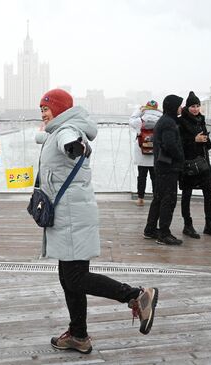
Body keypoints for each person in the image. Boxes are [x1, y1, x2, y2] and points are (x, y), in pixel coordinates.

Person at [37, 88, 158, 354]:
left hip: (72, 217)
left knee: (76, 278)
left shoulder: (67, 131)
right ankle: (79, 335)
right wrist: (45, 135)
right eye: (41, 109)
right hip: (70, 215)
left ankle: (135, 295)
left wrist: (74, 148)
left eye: (46, 108)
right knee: (68, 278)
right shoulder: (59, 130)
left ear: (59, 110)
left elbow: (69, 144)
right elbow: (52, 138)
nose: (43, 113)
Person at [178, 91, 211, 239]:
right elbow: (179, 144)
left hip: (203, 163)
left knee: (209, 191)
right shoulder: (181, 121)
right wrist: (194, 140)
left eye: (197, 106)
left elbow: (208, 145)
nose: (195, 109)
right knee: (187, 193)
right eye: (192, 106)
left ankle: (210, 225)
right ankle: (187, 225)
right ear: (187, 107)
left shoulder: (200, 120)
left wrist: (205, 140)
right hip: (189, 163)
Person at [143, 95, 185, 245]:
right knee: (169, 199)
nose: (181, 108)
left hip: (161, 166)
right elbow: (170, 145)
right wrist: (181, 157)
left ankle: (150, 229)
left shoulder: (165, 120)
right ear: (174, 107)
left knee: (159, 198)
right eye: (180, 105)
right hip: (168, 167)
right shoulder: (168, 123)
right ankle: (164, 234)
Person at [128, 100, 161, 206]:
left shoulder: (139, 120)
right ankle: (156, 197)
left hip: (142, 152)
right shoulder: (161, 119)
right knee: (155, 177)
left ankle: (140, 198)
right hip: (155, 153)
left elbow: (131, 120)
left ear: (146, 108)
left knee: (142, 176)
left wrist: (139, 110)